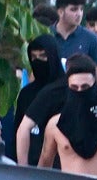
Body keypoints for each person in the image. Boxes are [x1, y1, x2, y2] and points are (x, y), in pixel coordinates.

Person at [40, 55, 97, 176]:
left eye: (85, 87)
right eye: (74, 88)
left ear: (95, 86)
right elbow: (44, 167)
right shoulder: (55, 125)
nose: (80, 91)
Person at [12, 34, 64, 166]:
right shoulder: (26, 94)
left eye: (43, 56)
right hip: (31, 167)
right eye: (34, 57)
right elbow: (19, 131)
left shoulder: (67, 90)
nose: (38, 61)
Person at [53, 0, 97, 66]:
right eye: (74, 9)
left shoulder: (90, 38)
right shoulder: (47, 35)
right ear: (61, 12)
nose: (79, 14)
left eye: (81, 9)